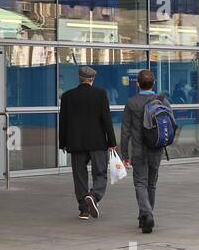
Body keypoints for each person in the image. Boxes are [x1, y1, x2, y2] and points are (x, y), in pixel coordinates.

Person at [59, 65, 116, 220]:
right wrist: (111, 141)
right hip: (97, 141)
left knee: (79, 176)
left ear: (79, 77)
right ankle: (94, 196)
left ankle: (84, 209)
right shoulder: (100, 94)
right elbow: (106, 119)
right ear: (92, 78)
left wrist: (62, 143)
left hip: (75, 142)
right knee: (101, 173)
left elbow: (62, 121)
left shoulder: (67, 96)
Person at [122, 69, 172, 235]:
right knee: (151, 184)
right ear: (154, 84)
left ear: (137, 84)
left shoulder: (131, 102)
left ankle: (147, 213)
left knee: (140, 183)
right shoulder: (162, 101)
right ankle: (145, 216)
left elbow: (125, 131)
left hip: (138, 150)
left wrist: (125, 155)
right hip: (156, 148)